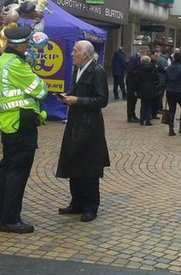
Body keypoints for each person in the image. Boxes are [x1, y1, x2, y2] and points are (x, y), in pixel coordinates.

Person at [0, 26, 48, 234]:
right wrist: (39, 81)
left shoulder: (1, 60)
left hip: (7, 122)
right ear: (21, 44)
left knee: (6, 168)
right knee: (17, 172)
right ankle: (10, 219)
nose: (29, 46)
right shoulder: (18, 65)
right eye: (28, 43)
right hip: (21, 123)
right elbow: (40, 91)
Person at [56, 40, 110, 223]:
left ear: (85, 54)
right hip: (75, 123)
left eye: (75, 51)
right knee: (74, 162)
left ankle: (90, 207)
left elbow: (102, 100)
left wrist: (77, 100)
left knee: (89, 168)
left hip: (90, 126)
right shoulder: (76, 69)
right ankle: (76, 202)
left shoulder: (97, 71)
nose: (72, 53)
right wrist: (67, 97)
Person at [164, 53, 181, 136]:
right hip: (180, 91)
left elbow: (165, 79)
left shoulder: (169, 68)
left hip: (170, 90)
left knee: (172, 110)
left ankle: (171, 128)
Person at [126, 47, 149, 123]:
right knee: (131, 100)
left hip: (135, 82)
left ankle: (133, 115)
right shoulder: (133, 58)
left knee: (134, 100)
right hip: (131, 82)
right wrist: (139, 73)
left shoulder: (137, 59)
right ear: (142, 52)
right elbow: (130, 71)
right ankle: (130, 116)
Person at [136, 55, 159, 126]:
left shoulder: (139, 68)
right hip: (150, 87)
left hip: (141, 87)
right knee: (149, 104)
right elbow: (156, 78)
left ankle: (141, 120)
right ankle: (148, 120)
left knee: (143, 104)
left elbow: (137, 79)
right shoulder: (153, 67)